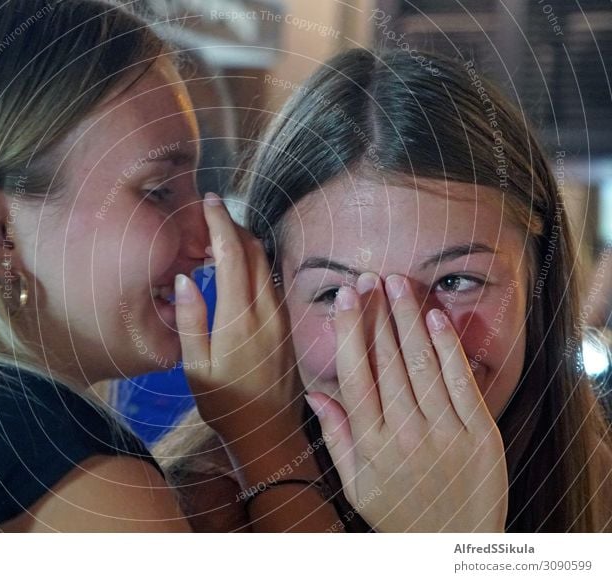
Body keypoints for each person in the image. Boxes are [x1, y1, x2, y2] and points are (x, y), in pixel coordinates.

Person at [0, 0, 340, 532]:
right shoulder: (70, 477)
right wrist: (271, 448)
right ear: (1, 232)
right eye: (158, 192)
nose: (207, 242)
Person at [159, 48, 612, 532]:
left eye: (455, 281)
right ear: (270, 306)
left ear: (537, 282)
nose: (397, 344)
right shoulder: (180, 527)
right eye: (335, 294)